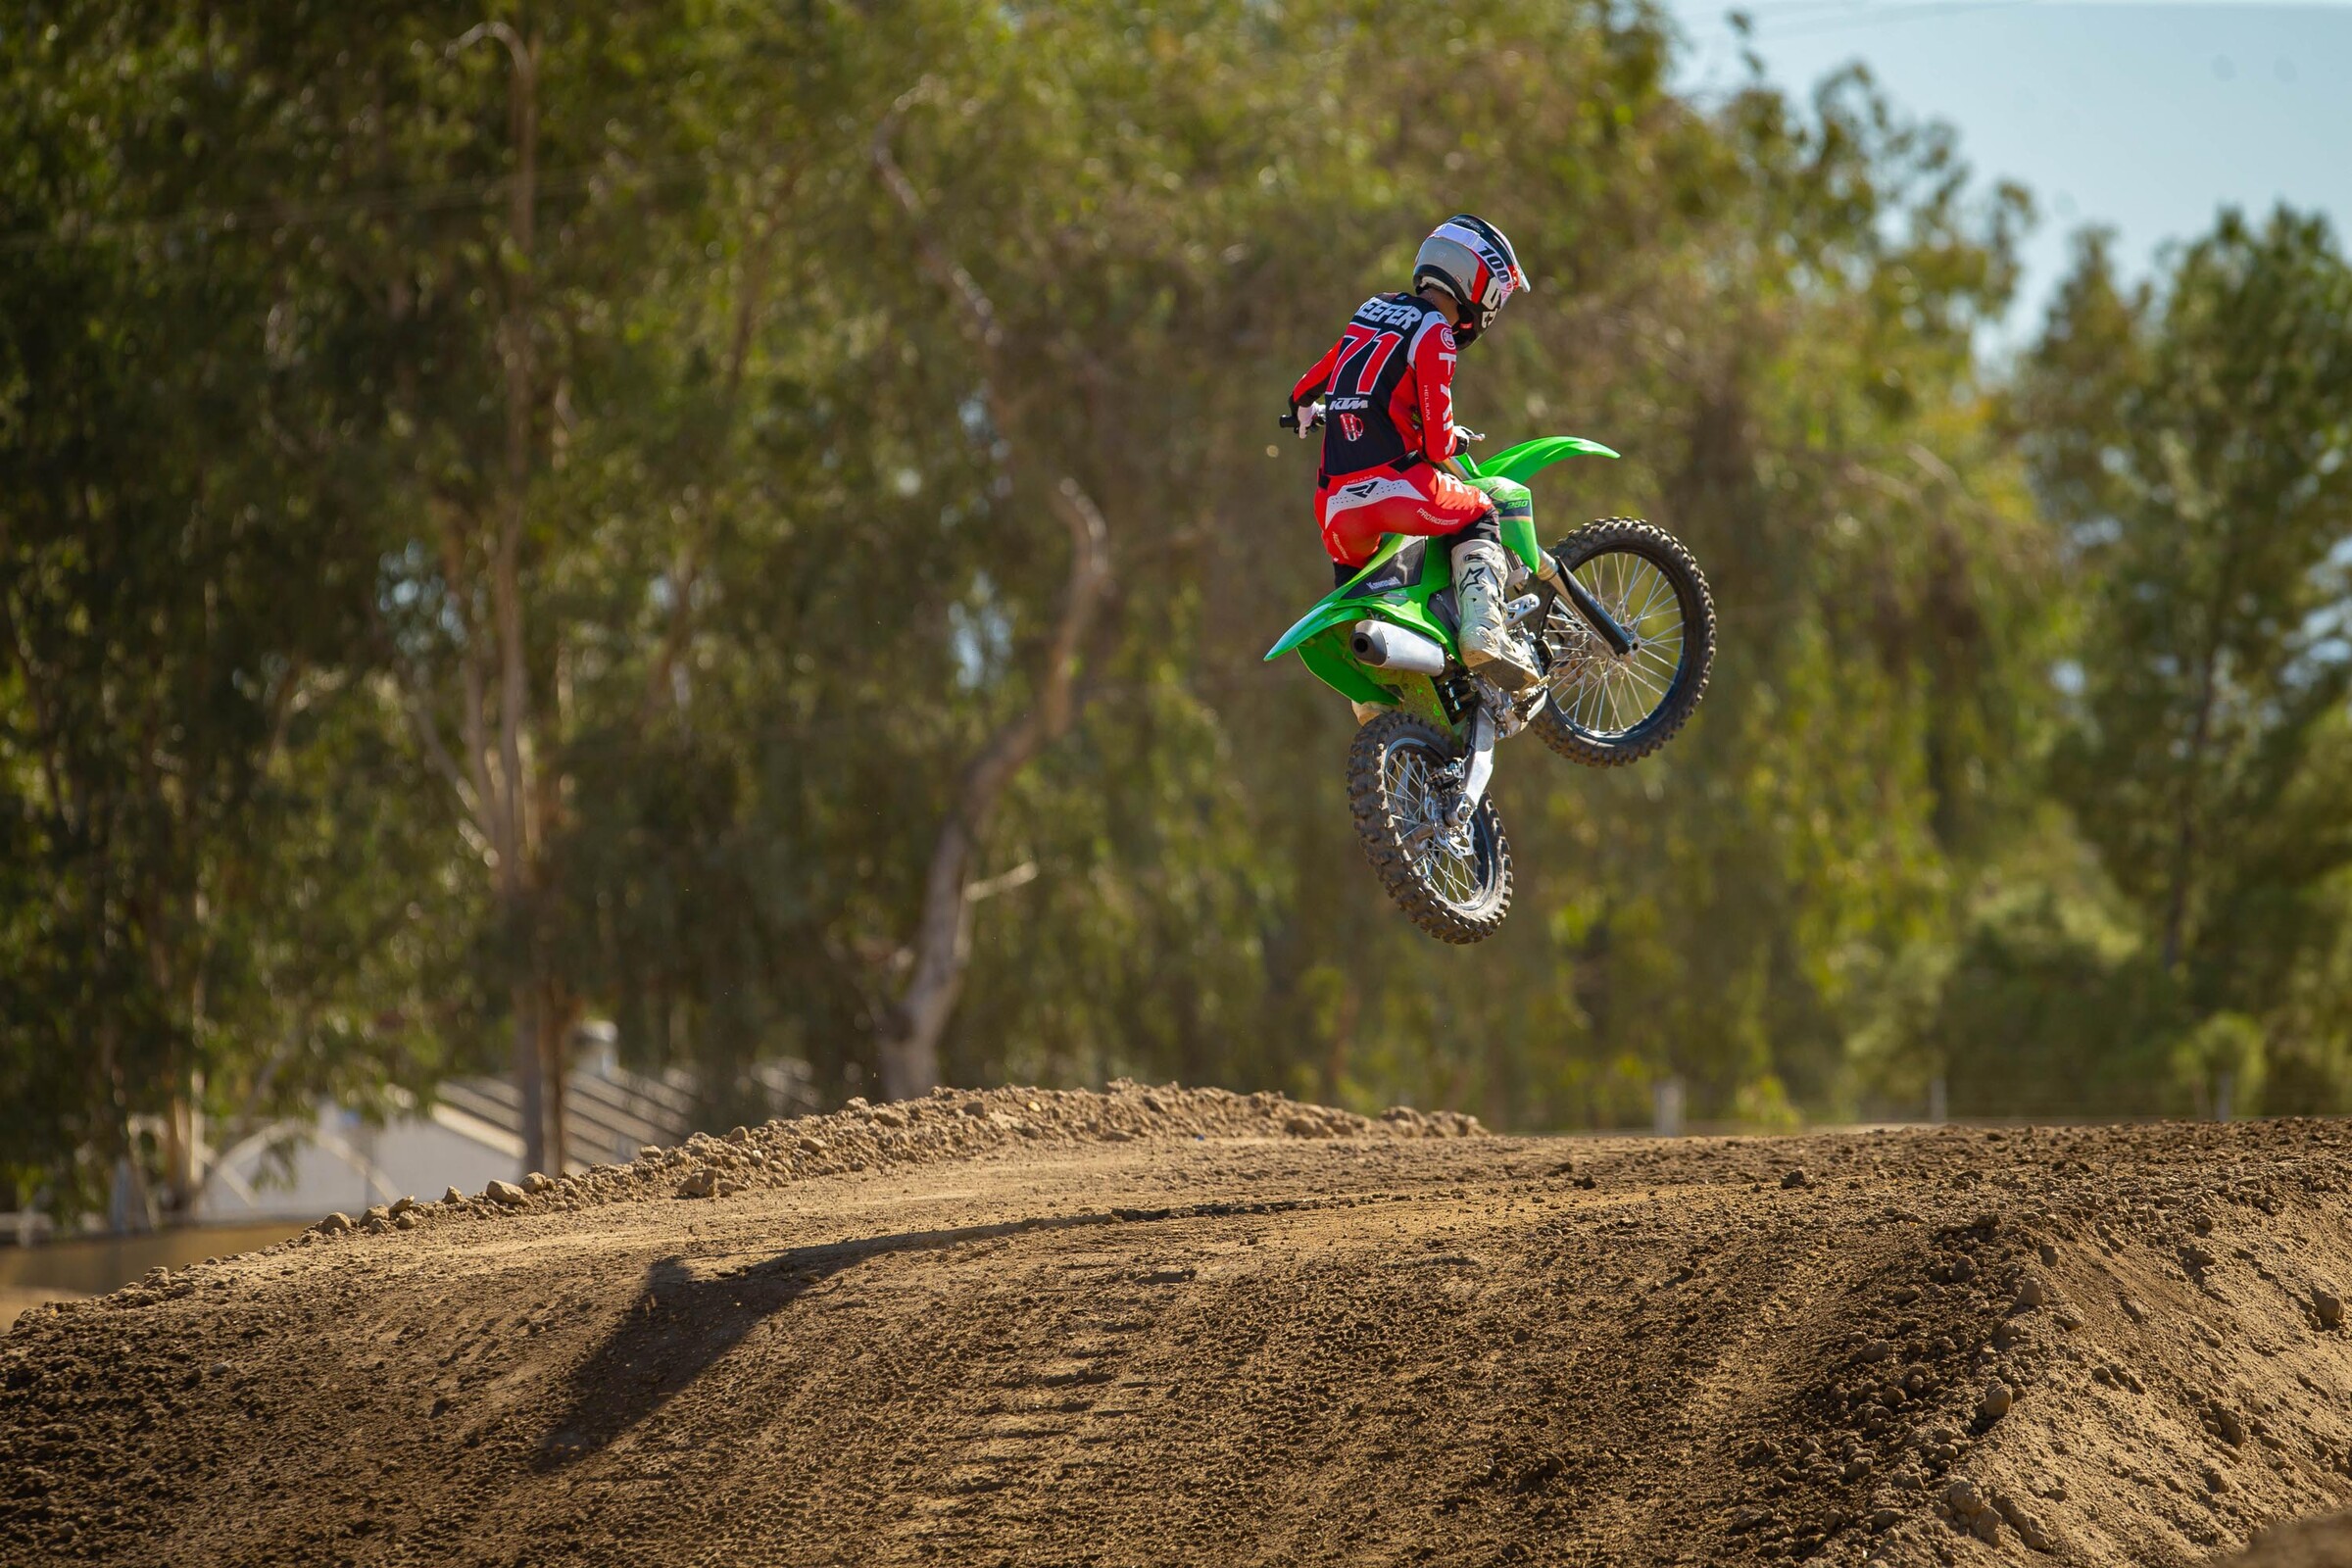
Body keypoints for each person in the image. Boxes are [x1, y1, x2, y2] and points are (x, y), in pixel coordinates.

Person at [1288, 214, 1540, 692]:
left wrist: (1305, 407)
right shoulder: (1436, 334)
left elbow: (1314, 380)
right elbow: (1438, 443)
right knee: (1480, 512)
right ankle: (1484, 632)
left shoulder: (1372, 308)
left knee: (1359, 597)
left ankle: (1376, 699)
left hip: (1336, 507)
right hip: (1398, 489)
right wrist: (1456, 440)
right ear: (1477, 284)